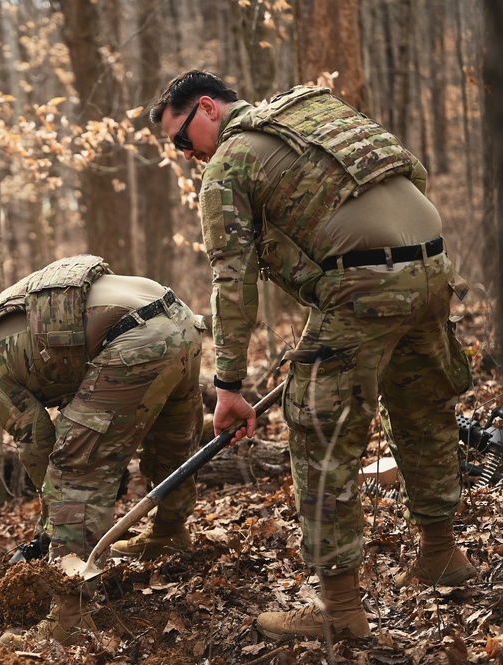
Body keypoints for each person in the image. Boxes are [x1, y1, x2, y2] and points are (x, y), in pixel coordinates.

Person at [149, 70, 476, 641]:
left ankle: (341, 614)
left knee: (319, 435)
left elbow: (232, 281)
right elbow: (411, 173)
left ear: (207, 107)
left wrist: (228, 385)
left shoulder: (230, 163)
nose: (185, 155)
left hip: (365, 286)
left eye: (182, 140)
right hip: (432, 269)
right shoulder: (313, 112)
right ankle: (442, 555)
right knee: (423, 410)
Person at [0, 255, 205, 641]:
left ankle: (71, 617)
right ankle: (170, 531)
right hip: (181, 320)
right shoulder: (10, 308)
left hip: (136, 343)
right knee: (171, 443)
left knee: (71, 472)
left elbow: (36, 439)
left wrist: (55, 514)